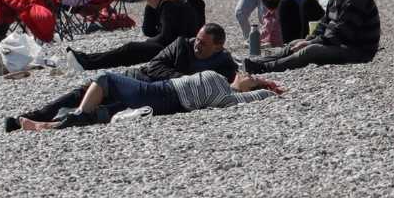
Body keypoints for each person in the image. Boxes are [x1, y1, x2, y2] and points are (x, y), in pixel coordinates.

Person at [5, 24, 238, 131]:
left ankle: (53, 125)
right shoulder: (181, 45)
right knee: (82, 93)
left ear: (218, 47)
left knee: (106, 110)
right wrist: (184, 79)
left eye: (203, 44)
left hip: (154, 97)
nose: (196, 45)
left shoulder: (225, 64)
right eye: (197, 39)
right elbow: (155, 65)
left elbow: (224, 87)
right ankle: (32, 116)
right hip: (140, 79)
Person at [14, 69, 280, 132]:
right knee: (108, 109)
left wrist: (268, 88)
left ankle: (80, 114)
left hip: (163, 94)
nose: (246, 75)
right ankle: (45, 126)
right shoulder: (224, 87)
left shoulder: (228, 95)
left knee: (107, 79)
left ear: (249, 88)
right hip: (163, 98)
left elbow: (261, 95)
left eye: (250, 77)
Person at [244, 0, 379, 74]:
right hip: (343, 43)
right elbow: (324, 22)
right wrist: (309, 39)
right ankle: (259, 62)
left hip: (359, 51)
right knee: (295, 43)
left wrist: (310, 43)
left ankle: (265, 68)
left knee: (309, 50)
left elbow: (341, 35)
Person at [64, 0, 200, 71]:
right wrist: (150, 7)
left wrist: (148, 42)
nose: (146, 3)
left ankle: (88, 63)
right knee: (130, 50)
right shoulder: (166, 3)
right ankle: (87, 59)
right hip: (173, 45)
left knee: (130, 49)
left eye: (147, 0)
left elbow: (165, 36)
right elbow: (149, 30)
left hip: (178, 50)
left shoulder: (169, 6)